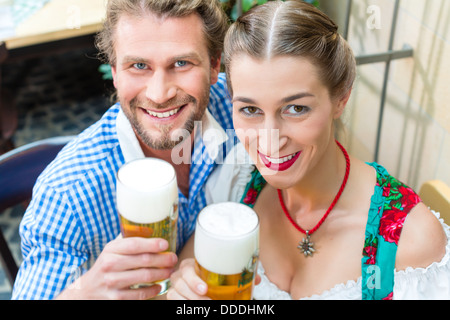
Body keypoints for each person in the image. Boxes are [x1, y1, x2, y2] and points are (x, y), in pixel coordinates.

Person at [167, 0, 450, 300]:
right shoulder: (234, 185)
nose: (270, 139)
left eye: (296, 108)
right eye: (250, 109)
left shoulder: (412, 242)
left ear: (341, 97)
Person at [11, 0, 234, 300]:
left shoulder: (239, 107)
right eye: (139, 66)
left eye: (181, 63)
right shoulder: (67, 195)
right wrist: (85, 293)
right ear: (115, 71)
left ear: (215, 66)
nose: (159, 94)